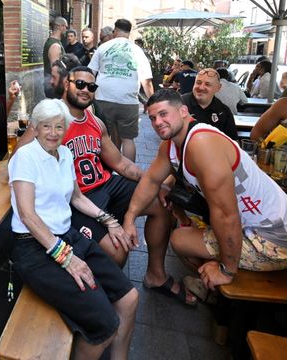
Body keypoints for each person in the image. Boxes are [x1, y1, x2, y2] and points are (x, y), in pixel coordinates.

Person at [17, 67, 190, 304]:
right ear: (67, 84)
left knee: (161, 204)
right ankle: (106, 295)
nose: (85, 90)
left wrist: (153, 184)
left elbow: (120, 163)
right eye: (80, 84)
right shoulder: (51, 120)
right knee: (119, 250)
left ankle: (155, 275)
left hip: (107, 184)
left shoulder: (95, 122)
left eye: (92, 86)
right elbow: (20, 155)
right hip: (79, 196)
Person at [123, 90, 287, 302]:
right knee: (178, 222)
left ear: (183, 111)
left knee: (180, 240)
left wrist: (226, 270)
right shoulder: (172, 144)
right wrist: (130, 218)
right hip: (256, 225)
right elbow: (151, 180)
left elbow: (226, 216)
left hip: (280, 239)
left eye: (164, 114)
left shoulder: (202, 144)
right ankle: (211, 280)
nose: (158, 122)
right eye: (153, 117)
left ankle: (220, 285)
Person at [8, 99, 138, 360]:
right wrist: (65, 257)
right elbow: (27, 215)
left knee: (130, 298)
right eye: (46, 126)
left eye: (59, 126)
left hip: (67, 236)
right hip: (35, 246)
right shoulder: (25, 157)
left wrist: (109, 221)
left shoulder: (65, 153)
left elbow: (77, 197)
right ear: (35, 127)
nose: (53, 132)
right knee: (105, 326)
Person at [88, 18, 154, 161]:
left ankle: (107, 169)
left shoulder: (103, 47)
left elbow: (90, 74)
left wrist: (88, 96)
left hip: (103, 98)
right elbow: (147, 81)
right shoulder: (137, 50)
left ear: (115, 31)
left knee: (105, 136)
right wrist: (153, 102)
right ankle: (128, 171)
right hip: (128, 101)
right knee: (128, 139)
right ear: (129, 33)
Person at [181, 68, 238, 140]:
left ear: (218, 88)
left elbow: (233, 141)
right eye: (198, 83)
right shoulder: (179, 104)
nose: (201, 87)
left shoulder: (224, 111)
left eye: (207, 84)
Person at [44, 16, 68, 97]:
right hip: (54, 87)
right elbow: (55, 70)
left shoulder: (55, 42)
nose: (66, 30)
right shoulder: (55, 46)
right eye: (66, 27)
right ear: (61, 27)